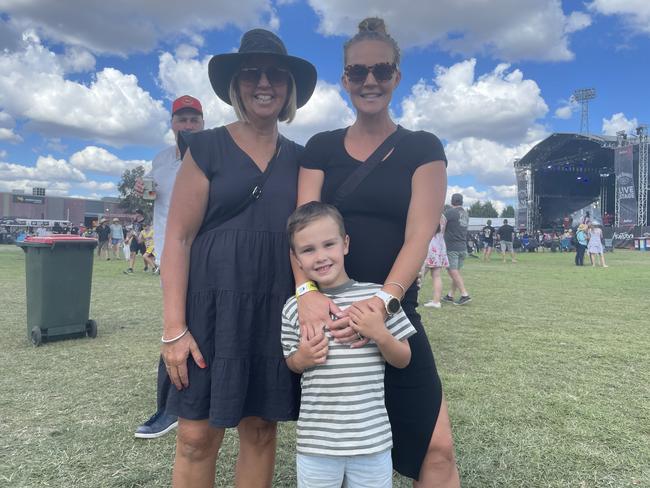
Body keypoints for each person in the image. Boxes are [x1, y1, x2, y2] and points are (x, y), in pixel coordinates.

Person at [296, 17, 459, 486]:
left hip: (393, 314)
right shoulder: (321, 147)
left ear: (397, 77)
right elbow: (301, 231)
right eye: (358, 71)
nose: (370, 81)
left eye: (381, 71)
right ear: (344, 78)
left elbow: (420, 233)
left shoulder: (422, 147)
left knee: (438, 448)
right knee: (338, 450)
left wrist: (384, 301)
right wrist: (306, 290)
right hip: (329, 318)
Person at [160, 29, 317, 487]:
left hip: (273, 307)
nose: (263, 83)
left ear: (288, 88)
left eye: (275, 75)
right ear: (237, 84)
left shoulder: (303, 160)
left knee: (261, 431)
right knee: (194, 437)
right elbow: (179, 240)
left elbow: (309, 238)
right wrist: (174, 329)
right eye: (252, 73)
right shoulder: (205, 148)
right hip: (208, 312)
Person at [282, 202, 415, 488]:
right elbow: (291, 362)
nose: (320, 257)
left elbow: (403, 358)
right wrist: (303, 358)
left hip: (372, 441)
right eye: (308, 250)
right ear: (296, 258)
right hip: (316, 444)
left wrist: (380, 333)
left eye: (328, 244)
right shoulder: (294, 308)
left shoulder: (376, 299)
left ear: (345, 244)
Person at [134, 95, 205, 439]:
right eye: (182, 120)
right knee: (174, 328)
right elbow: (154, 200)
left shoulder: (209, 154)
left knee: (192, 327)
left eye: (194, 120)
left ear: (202, 123)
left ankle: (182, 404)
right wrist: (142, 190)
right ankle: (170, 407)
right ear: (172, 123)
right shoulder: (160, 159)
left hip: (202, 255)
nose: (188, 126)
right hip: (167, 255)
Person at [443, 193, 471, 306]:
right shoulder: (465, 213)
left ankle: (464, 294)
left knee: (453, 271)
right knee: (456, 272)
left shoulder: (449, 212)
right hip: (462, 246)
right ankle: (450, 295)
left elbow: (441, 226)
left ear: (452, 201)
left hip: (452, 246)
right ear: (462, 202)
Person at [421, 214, 448, 308]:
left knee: (419, 275)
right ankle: (436, 301)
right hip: (440, 246)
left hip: (429, 246)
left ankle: (412, 300)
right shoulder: (443, 217)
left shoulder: (429, 213)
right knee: (436, 276)